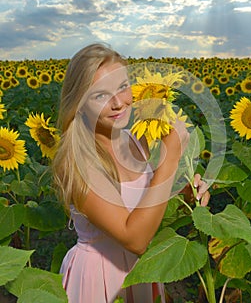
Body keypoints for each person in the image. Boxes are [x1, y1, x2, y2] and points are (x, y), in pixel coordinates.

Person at [52, 43, 210, 303]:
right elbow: (134, 238)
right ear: (79, 104)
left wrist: (184, 197)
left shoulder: (135, 140)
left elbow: (142, 208)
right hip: (100, 277)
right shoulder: (78, 161)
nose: (118, 103)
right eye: (100, 96)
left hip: (141, 270)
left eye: (123, 87)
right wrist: (170, 160)